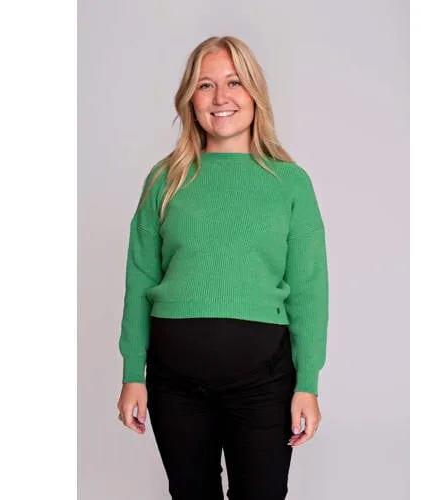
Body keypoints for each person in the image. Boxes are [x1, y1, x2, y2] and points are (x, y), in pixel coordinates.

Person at [116, 35, 329, 500]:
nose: (220, 97)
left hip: (264, 385)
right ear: (190, 99)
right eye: (205, 84)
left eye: (234, 82)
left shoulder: (290, 183)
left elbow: (309, 290)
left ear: (255, 93)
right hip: (174, 384)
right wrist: (133, 373)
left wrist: (308, 383)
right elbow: (141, 278)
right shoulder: (165, 179)